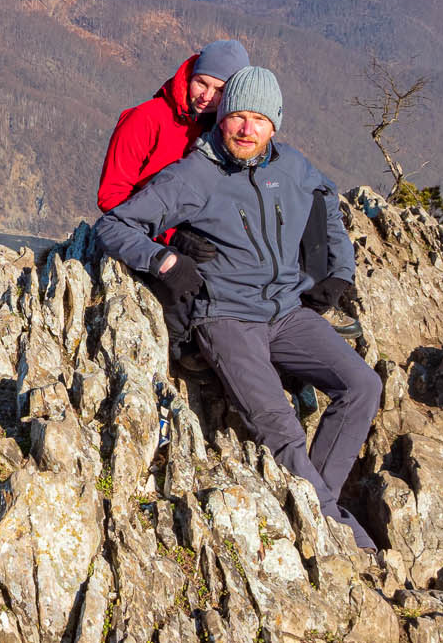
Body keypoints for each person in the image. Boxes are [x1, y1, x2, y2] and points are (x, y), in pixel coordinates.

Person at [93, 65, 381, 552]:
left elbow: (326, 201)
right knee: (280, 428)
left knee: (362, 385)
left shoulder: (290, 166)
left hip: (286, 312)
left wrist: (339, 271)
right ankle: (341, 536)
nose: (248, 129)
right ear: (222, 118)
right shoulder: (194, 175)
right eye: (239, 117)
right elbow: (115, 224)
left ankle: (322, 508)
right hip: (226, 318)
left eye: (260, 120)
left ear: (275, 125)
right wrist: (164, 259)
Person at [97, 40, 249, 352]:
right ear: (190, 74)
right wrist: (171, 236)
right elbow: (111, 196)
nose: (207, 97)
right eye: (201, 83)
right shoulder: (144, 119)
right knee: (183, 286)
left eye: (219, 90)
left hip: (203, 238)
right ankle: (184, 354)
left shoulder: (227, 133)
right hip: (146, 239)